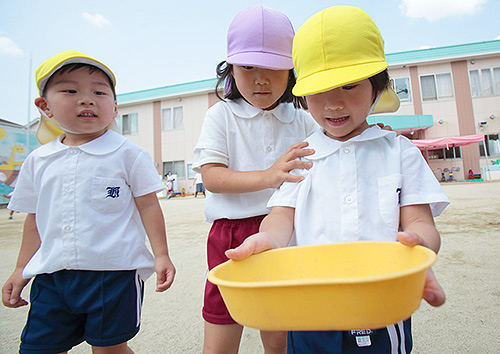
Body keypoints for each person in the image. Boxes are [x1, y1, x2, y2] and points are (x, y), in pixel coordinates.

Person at [226, 6, 450, 354]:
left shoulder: (399, 151)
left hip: (380, 304)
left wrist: (417, 246)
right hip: (309, 308)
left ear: (378, 86)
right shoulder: (301, 155)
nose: (333, 102)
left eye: (348, 85)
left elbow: (420, 220)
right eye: (318, 89)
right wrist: (267, 241)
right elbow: (282, 215)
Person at [1, 50, 176, 354]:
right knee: (37, 348)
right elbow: (34, 219)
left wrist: (161, 254)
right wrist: (21, 268)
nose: (87, 99)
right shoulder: (38, 160)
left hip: (114, 274)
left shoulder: (128, 154)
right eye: (70, 90)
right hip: (52, 276)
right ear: (45, 107)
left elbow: (148, 205)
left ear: (115, 107)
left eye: (98, 92)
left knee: (109, 349)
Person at [192, 6, 320, 354]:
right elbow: (212, 176)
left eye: (274, 67)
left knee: (278, 329)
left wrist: (369, 135)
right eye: (248, 66)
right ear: (230, 68)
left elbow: (335, 150)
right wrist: (268, 176)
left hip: (284, 231)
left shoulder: (302, 120)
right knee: (222, 324)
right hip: (230, 232)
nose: (261, 78)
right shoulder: (221, 115)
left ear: (292, 71)